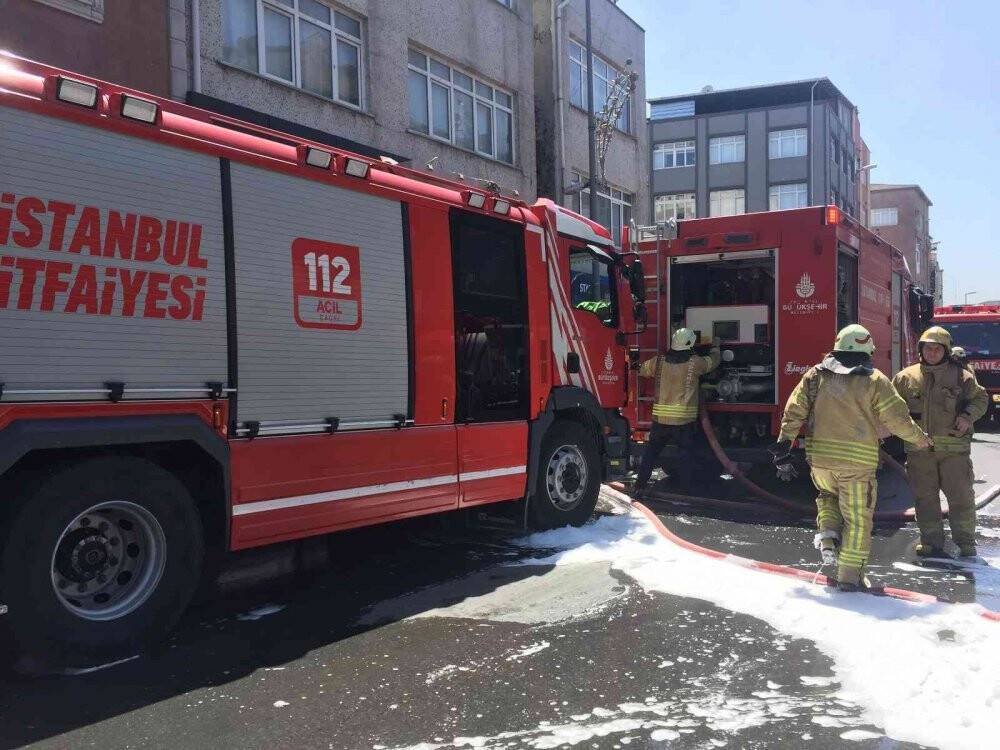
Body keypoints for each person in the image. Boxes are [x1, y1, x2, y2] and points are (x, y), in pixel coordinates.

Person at [772, 324, 932, 591]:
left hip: (821, 462)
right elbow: (897, 420)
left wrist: (784, 442)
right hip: (857, 466)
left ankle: (828, 538)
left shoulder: (815, 375)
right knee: (858, 519)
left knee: (827, 498)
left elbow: (794, 410)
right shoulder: (875, 380)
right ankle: (849, 578)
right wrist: (921, 440)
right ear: (867, 350)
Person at [892, 327, 988, 558]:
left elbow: (980, 398)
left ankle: (966, 543)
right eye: (928, 348)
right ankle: (931, 542)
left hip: (954, 452)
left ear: (945, 351)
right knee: (925, 499)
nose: (932, 352)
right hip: (920, 451)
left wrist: (967, 417)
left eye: (937, 348)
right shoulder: (905, 377)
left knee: (961, 497)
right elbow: (890, 407)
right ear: (921, 350)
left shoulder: (961, 375)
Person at [633, 328, 720, 496]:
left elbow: (642, 370)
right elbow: (713, 362)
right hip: (682, 422)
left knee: (651, 454)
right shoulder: (695, 363)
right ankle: (686, 492)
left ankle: (639, 485)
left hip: (660, 421)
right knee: (686, 456)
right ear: (690, 345)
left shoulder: (658, 362)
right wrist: (716, 346)